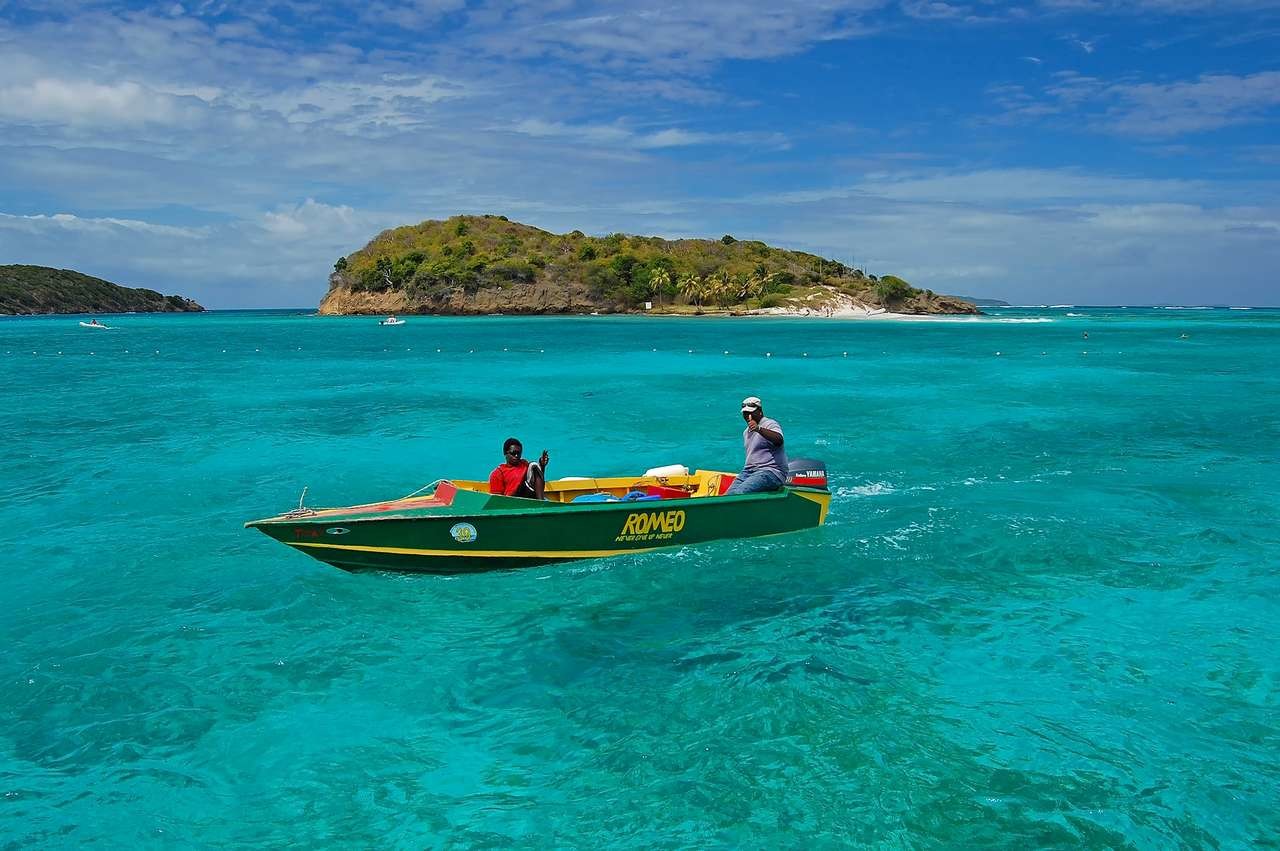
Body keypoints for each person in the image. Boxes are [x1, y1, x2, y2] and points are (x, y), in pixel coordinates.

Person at [725, 396, 788, 495]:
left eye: (751, 412)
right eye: (745, 413)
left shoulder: (769, 424)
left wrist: (758, 429)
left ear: (760, 411)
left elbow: (779, 440)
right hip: (748, 472)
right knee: (728, 497)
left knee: (740, 493)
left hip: (770, 471)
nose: (748, 416)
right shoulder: (746, 432)